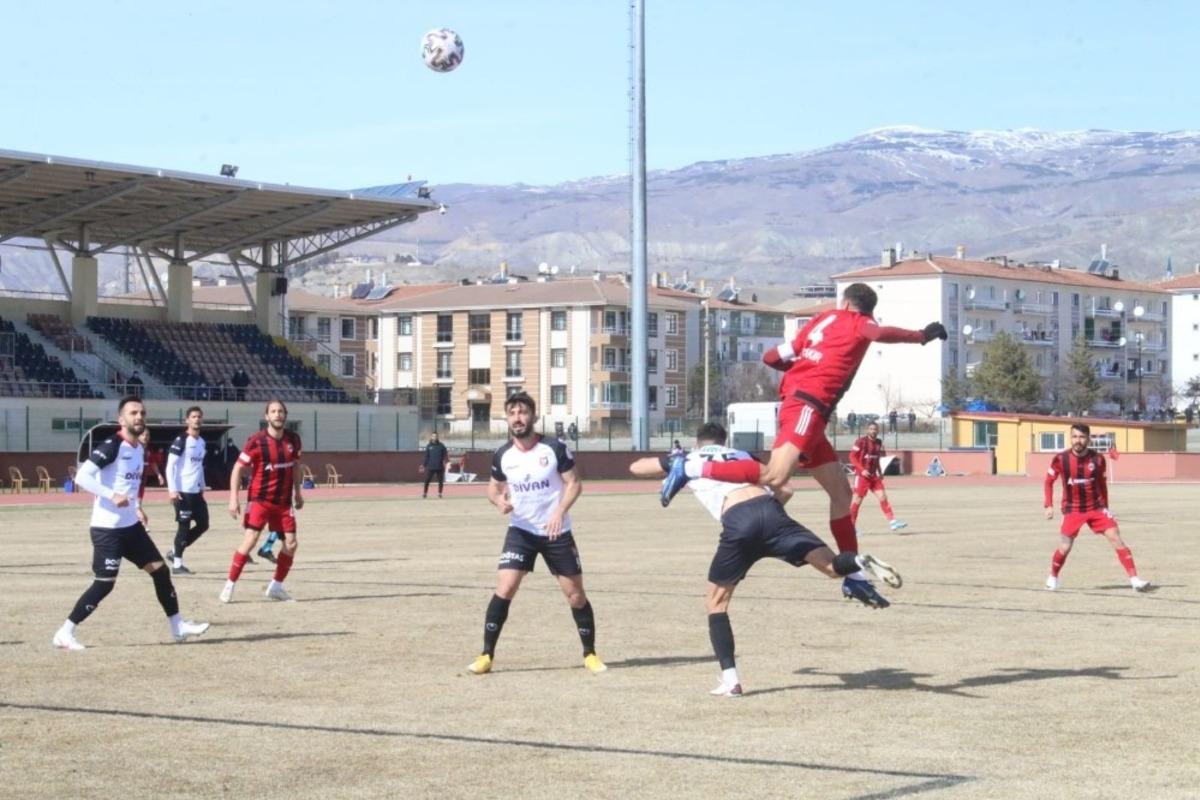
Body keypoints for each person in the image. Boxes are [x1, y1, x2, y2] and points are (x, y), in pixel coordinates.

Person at [661, 282, 945, 606]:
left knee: (841, 494)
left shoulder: (818, 322)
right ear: (865, 309)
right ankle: (691, 465)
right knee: (774, 477)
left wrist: (800, 366)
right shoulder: (859, 322)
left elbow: (772, 356)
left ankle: (854, 579)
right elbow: (878, 334)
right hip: (807, 406)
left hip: (809, 412)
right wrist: (922, 335)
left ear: (845, 301)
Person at [629, 423, 901, 696]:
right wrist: (768, 522)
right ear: (725, 442)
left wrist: (675, 459)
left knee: (716, 603)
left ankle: (730, 680)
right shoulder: (743, 456)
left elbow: (637, 467)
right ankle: (859, 562)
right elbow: (786, 490)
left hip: (738, 521)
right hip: (772, 514)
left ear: (698, 443)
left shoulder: (690, 459)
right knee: (831, 567)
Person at [51, 396, 209, 650]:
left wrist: (137, 508)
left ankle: (177, 626)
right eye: (133, 413)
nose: (139, 417)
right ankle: (65, 632)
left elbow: (129, 486)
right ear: (121, 419)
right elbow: (82, 476)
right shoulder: (113, 445)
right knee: (105, 584)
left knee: (161, 570)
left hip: (130, 528)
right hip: (107, 530)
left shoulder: (138, 449)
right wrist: (111, 495)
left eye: (142, 413)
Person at [466, 391, 605, 676]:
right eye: (512, 413)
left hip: (556, 533)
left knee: (575, 595)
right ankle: (486, 655)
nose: (517, 418)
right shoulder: (502, 455)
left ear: (534, 416)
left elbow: (574, 483)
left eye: (523, 412)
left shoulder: (554, 448)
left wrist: (559, 512)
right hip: (521, 531)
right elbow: (493, 487)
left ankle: (590, 653)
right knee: (505, 589)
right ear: (507, 419)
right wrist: (498, 501)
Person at [1043, 423, 1150, 592]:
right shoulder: (1060, 459)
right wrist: (1048, 505)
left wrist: (1106, 507)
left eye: (1081, 437)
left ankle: (1135, 580)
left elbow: (1102, 484)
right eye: (1074, 437)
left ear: (1088, 439)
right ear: (1071, 438)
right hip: (1073, 509)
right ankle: (1053, 577)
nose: (1077, 440)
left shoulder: (1098, 459)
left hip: (1096, 508)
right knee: (1065, 546)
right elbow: (1048, 481)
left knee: (1116, 538)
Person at [221, 399, 304, 603]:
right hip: (260, 500)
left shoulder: (293, 439)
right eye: (273, 412)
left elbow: (295, 467)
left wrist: (298, 493)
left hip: (284, 503)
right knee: (251, 540)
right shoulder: (256, 441)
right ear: (266, 416)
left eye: (281, 411)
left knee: (291, 544)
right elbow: (237, 468)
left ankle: (275, 586)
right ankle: (229, 585)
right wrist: (234, 498)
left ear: (285, 415)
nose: (277, 415)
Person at [164, 406, 209, 575]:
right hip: (182, 492)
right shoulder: (181, 440)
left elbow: (199, 467)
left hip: (196, 492)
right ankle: (177, 565)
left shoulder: (201, 442)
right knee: (183, 527)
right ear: (187, 420)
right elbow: (170, 466)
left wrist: (203, 485)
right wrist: (172, 490)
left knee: (204, 524)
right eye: (193, 417)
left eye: (199, 416)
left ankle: (175, 551)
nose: (196, 419)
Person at [849, 421, 907, 532]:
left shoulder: (878, 442)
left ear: (878, 430)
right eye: (871, 429)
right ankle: (851, 527)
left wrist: (879, 471)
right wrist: (862, 470)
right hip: (861, 476)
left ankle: (893, 522)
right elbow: (852, 457)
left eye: (875, 429)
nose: (873, 431)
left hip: (873, 476)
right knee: (857, 501)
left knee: (883, 497)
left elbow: (876, 458)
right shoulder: (861, 442)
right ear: (867, 430)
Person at [421, 431, 449, 498]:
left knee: (440, 481)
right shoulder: (429, 446)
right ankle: (425, 493)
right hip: (430, 467)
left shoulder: (441, 445)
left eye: (436, 436)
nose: (434, 437)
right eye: (433, 436)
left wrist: (447, 462)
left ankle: (440, 493)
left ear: (437, 437)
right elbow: (426, 457)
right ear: (431, 437)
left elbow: (445, 455)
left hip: (439, 466)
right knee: (427, 480)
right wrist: (423, 465)